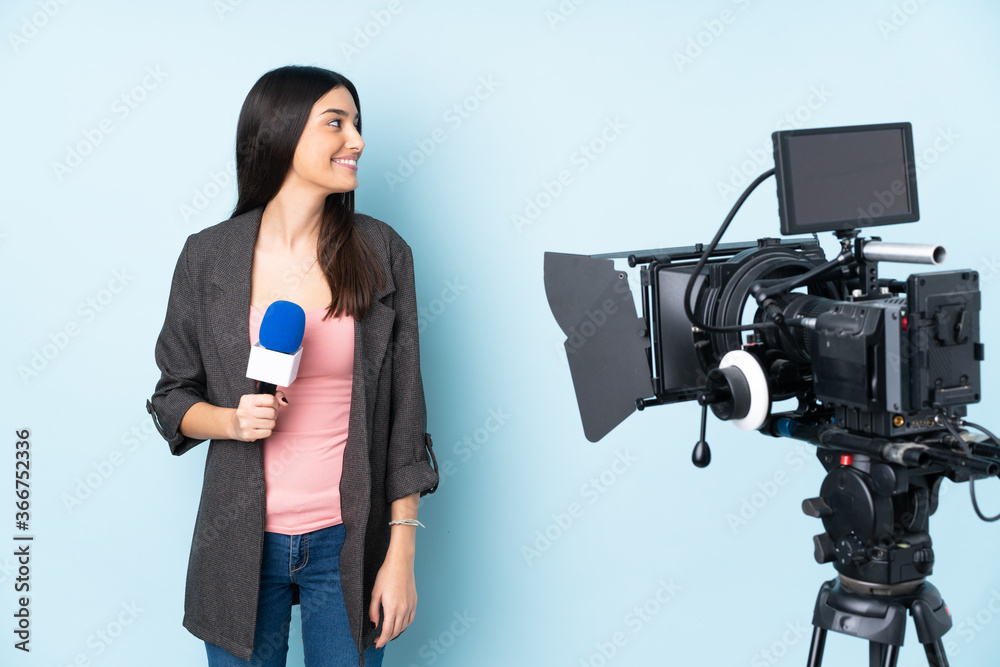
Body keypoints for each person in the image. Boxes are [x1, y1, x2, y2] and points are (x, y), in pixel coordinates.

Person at [146, 65, 439, 667]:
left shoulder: (383, 252)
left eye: (357, 124)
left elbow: (406, 418)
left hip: (348, 543)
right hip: (239, 544)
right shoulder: (209, 257)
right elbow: (171, 396)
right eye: (336, 122)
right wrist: (231, 421)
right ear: (279, 134)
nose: (355, 140)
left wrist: (402, 552)